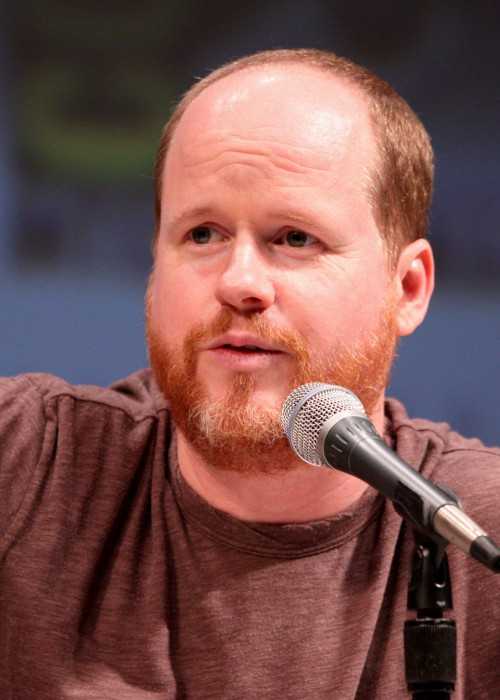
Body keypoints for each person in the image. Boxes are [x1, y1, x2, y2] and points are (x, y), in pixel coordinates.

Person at [1, 48, 499, 699]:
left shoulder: (478, 530)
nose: (239, 283)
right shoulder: (28, 464)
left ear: (407, 287)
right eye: (202, 235)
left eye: (294, 238)